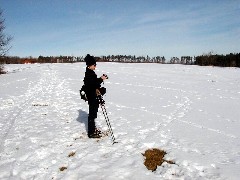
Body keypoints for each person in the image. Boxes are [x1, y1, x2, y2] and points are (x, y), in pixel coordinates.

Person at [83, 54, 107, 138]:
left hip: (93, 96)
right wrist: (101, 79)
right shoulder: (88, 74)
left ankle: (93, 129)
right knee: (92, 115)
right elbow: (93, 84)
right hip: (92, 96)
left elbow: (94, 83)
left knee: (93, 114)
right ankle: (91, 133)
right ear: (90, 65)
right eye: (94, 65)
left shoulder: (90, 73)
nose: (95, 66)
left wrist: (100, 79)